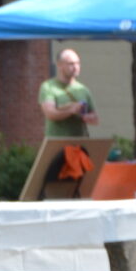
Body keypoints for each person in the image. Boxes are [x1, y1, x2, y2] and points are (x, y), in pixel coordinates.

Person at [38, 48, 101, 197]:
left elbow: (95, 118)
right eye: (71, 64)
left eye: (78, 63)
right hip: (56, 145)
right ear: (60, 65)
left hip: (79, 145)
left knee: (77, 184)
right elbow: (50, 113)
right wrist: (71, 110)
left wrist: (87, 117)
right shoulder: (48, 87)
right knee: (51, 183)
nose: (76, 67)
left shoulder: (83, 90)